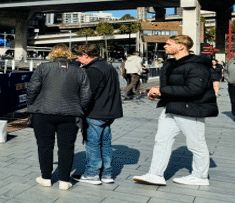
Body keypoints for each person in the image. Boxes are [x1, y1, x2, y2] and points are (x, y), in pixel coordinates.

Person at [133, 35, 218, 186]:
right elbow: (170, 87)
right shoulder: (170, 63)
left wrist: (162, 91)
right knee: (161, 141)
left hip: (191, 109)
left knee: (196, 145)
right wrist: (157, 95)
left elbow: (194, 90)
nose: (165, 46)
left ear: (181, 46)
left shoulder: (197, 65)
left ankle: (200, 176)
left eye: (168, 44)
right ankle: (155, 174)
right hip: (171, 108)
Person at [26, 44, 91, 190]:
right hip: (70, 114)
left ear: (52, 54)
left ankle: (46, 178)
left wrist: (32, 104)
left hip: (43, 112)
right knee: (67, 147)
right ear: (68, 55)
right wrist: (80, 108)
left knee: (44, 146)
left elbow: (32, 89)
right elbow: (86, 95)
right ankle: (64, 181)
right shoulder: (79, 71)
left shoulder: (43, 68)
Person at [74, 44, 123, 185]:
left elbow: (87, 94)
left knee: (92, 144)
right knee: (106, 143)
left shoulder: (93, 70)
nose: (77, 60)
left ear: (85, 55)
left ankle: (92, 174)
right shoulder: (108, 67)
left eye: (78, 56)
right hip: (109, 111)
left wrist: (80, 109)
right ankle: (107, 174)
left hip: (96, 112)